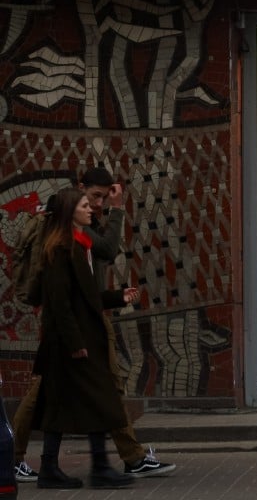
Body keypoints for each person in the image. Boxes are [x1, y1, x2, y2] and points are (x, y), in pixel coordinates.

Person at [13, 168, 176, 483]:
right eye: (92, 199)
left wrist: (116, 297)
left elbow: (87, 283)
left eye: (102, 199)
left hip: (84, 321)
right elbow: (99, 257)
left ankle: (106, 462)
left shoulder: (78, 232)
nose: (97, 205)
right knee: (87, 392)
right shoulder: (62, 237)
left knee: (81, 393)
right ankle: (114, 462)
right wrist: (116, 210)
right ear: (77, 193)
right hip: (71, 328)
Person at [31, 187, 140, 488]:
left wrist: (118, 297)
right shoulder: (61, 249)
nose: (90, 209)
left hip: (81, 338)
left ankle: (55, 468)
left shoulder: (80, 245)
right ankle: (97, 467)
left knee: (63, 404)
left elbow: (86, 296)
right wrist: (75, 343)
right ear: (70, 213)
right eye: (83, 206)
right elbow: (60, 303)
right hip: (73, 341)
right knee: (98, 400)